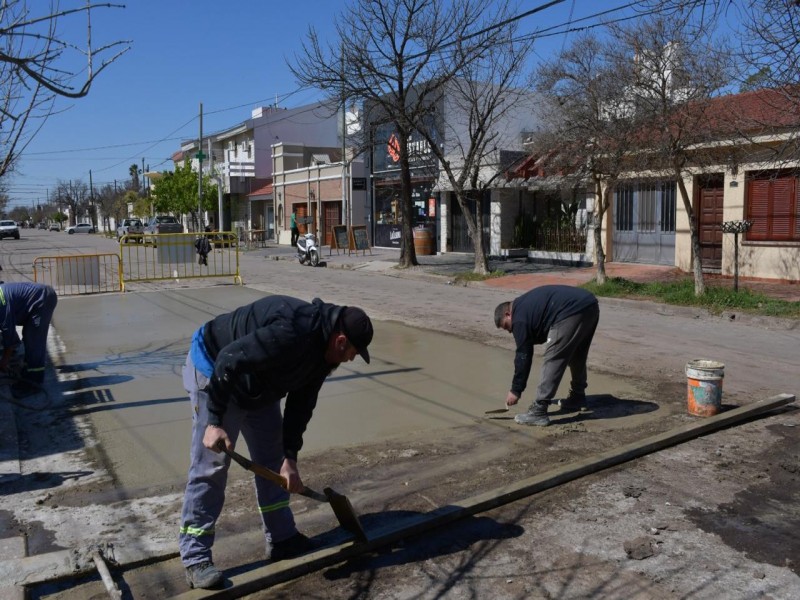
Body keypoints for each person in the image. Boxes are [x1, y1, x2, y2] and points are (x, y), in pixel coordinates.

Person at [179, 295, 374, 589]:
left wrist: (290, 457)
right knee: (212, 467)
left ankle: (282, 538)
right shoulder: (293, 330)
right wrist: (215, 422)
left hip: (258, 384)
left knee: (274, 461)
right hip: (216, 370)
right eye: (353, 353)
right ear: (341, 340)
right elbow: (229, 359)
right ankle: (195, 557)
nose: (351, 359)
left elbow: (301, 405)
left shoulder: (324, 356)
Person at [494, 285, 599, 427]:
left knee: (553, 357)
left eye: (507, 326)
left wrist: (516, 390)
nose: (510, 331)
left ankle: (539, 410)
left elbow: (523, 355)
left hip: (570, 311)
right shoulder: (523, 307)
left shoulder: (519, 319)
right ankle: (577, 396)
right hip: (589, 305)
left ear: (508, 314)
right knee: (577, 354)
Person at [0, 282, 58, 398]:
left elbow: (8, 333)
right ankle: (28, 374)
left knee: (34, 341)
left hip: (43, 299)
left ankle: (34, 383)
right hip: (36, 299)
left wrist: (4, 361)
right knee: (28, 336)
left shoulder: (1, 305)